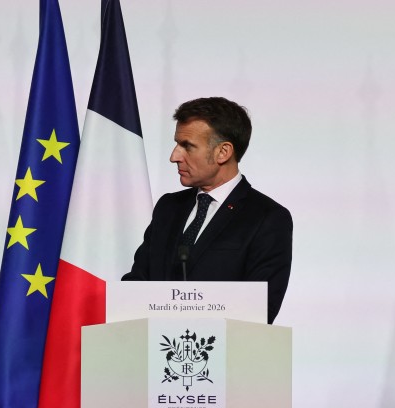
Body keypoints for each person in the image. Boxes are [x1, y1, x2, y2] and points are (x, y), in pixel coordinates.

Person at [123, 97, 293, 323]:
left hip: (221, 345)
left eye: (187, 146)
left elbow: (260, 310)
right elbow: (136, 285)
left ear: (223, 152)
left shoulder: (267, 218)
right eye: (177, 144)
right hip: (150, 342)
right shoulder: (168, 207)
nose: (174, 156)